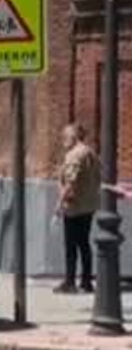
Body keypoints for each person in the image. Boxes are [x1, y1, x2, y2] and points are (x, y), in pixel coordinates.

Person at [54, 123, 100, 294]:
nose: (62, 141)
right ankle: (86, 281)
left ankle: (70, 281)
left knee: (71, 245)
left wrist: (59, 204)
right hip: (89, 206)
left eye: (64, 137)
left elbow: (70, 182)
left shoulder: (74, 155)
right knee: (84, 244)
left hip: (74, 206)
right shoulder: (91, 153)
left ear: (73, 137)